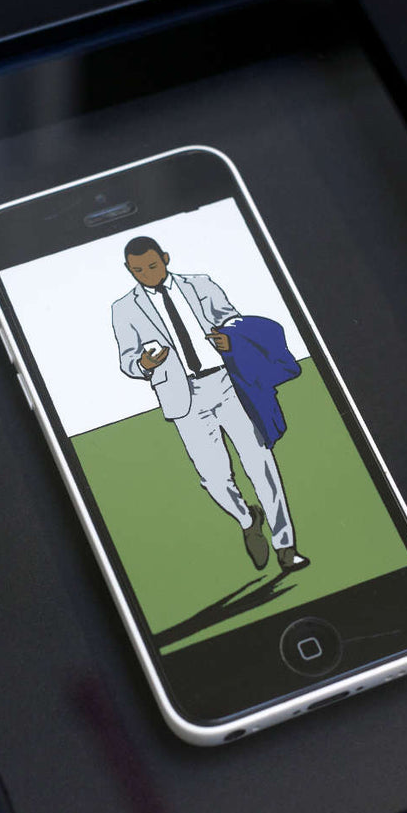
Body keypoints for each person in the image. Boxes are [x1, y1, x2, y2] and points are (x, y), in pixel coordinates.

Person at [111, 235, 309, 572]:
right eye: (138, 270)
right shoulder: (124, 308)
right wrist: (144, 363)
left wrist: (229, 338)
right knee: (214, 478)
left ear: (165, 258)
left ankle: (286, 546)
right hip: (183, 398)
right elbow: (127, 360)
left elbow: (233, 318)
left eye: (152, 266)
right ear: (128, 269)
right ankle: (248, 519)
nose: (147, 274)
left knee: (260, 462)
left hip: (228, 383)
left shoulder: (200, 284)